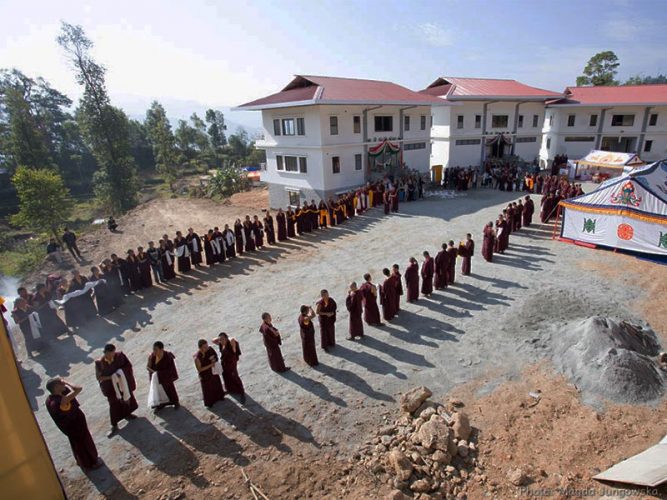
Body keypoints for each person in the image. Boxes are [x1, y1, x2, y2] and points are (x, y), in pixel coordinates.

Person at [45, 378, 101, 470]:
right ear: (56, 387)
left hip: (74, 425)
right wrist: (66, 381)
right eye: (61, 384)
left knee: (77, 444)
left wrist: (62, 384)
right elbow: (78, 388)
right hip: (74, 426)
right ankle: (91, 463)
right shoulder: (59, 401)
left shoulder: (52, 398)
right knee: (84, 444)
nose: (64, 385)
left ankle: (81, 461)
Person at [95, 344, 138, 437]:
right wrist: (112, 377)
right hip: (110, 386)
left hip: (122, 383)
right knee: (113, 404)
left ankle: (127, 414)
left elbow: (128, 366)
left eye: (113, 354)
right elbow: (99, 377)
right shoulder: (99, 363)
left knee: (125, 396)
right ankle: (114, 425)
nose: (111, 356)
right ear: (105, 352)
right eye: (109, 354)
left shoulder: (119, 356)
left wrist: (120, 373)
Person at [212, 332, 245, 403]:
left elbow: (232, 339)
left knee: (235, 377)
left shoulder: (231, 344)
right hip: (224, 364)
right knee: (226, 377)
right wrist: (220, 339)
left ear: (226, 338)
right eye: (220, 340)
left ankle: (241, 392)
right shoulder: (221, 344)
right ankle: (230, 389)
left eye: (223, 339)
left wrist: (226, 338)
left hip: (231, 364)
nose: (221, 341)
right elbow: (213, 340)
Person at [147, 341, 179, 410]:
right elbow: (148, 367)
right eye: (153, 349)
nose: (154, 351)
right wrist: (155, 374)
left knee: (170, 389)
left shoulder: (168, 356)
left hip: (166, 377)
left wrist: (158, 374)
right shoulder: (152, 356)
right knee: (159, 391)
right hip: (156, 378)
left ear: (162, 349)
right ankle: (161, 403)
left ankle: (175, 402)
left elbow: (170, 369)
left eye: (156, 350)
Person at [194, 339, 225, 408]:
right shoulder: (197, 358)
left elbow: (216, 357)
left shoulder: (210, 349)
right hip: (205, 375)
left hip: (213, 372)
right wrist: (210, 365)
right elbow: (200, 369)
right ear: (200, 348)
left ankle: (220, 397)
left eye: (207, 346)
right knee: (208, 389)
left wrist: (214, 359)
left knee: (216, 384)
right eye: (204, 347)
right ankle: (210, 402)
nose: (207, 348)